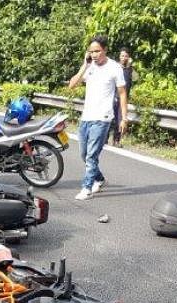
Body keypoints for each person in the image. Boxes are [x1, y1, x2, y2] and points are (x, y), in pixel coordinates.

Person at [68, 35, 128, 201]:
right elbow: (72, 85)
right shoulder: (89, 66)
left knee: (91, 156)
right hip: (86, 116)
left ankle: (87, 188)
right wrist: (84, 66)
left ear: (105, 50)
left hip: (103, 118)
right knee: (83, 154)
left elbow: (122, 94)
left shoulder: (115, 68)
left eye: (97, 51)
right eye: (91, 51)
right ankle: (100, 179)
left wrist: (124, 117)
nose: (94, 54)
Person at [110, 47, 134, 147]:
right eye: (122, 56)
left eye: (126, 56)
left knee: (120, 119)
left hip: (123, 99)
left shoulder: (130, 69)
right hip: (113, 96)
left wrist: (130, 66)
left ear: (128, 57)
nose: (124, 58)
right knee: (110, 118)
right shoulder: (115, 67)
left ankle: (116, 140)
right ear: (119, 57)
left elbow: (137, 78)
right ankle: (104, 138)